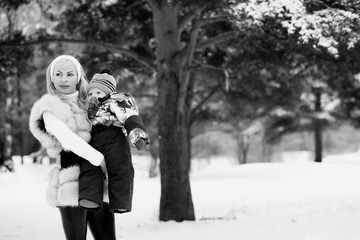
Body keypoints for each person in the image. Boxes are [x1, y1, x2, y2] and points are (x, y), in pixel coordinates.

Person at [29, 55, 116, 240]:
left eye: (69, 74)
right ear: (51, 77)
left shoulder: (91, 103)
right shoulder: (49, 107)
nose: (64, 79)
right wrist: (102, 161)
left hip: (97, 181)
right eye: (58, 74)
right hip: (70, 184)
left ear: (78, 77)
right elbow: (68, 140)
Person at [79, 68, 149, 213]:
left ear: (108, 92)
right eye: (91, 93)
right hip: (93, 138)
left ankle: (121, 202)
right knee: (89, 166)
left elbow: (129, 115)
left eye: (98, 92)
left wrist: (136, 132)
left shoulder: (115, 101)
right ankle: (90, 197)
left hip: (113, 137)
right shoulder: (87, 107)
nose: (93, 96)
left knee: (120, 167)